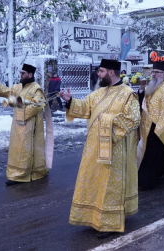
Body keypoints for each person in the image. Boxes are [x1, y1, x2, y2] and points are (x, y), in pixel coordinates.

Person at [60, 59, 141, 238]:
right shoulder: (98, 93)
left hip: (115, 148)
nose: (98, 73)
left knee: (110, 184)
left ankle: (110, 222)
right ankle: (95, 216)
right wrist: (70, 100)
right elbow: (85, 108)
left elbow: (133, 119)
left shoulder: (128, 94)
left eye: (101, 71)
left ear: (111, 72)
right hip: (93, 147)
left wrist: (108, 128)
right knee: (94, 180)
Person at [0, 63, 52, 186]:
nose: (21, 75)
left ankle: (26, 174)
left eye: (23, 73)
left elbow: (39, 105)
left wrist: (22, 113)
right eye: (21, 73)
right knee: (16, 150)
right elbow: (9, 93)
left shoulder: (36, 88)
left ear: (30, 74)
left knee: (26, 151)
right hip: (17, 126)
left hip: (29, 126)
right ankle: (15, 173)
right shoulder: (18, 87)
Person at [137, 61, 164, 189]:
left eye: (157, 72)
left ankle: (146, 182)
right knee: (158, 154)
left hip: (158, 128)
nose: (154, 74)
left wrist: (158, 129)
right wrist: (141, 90)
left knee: (151, 156)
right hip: (148, 126)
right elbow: (144, 102)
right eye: (153, 72)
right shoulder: (154, 85)